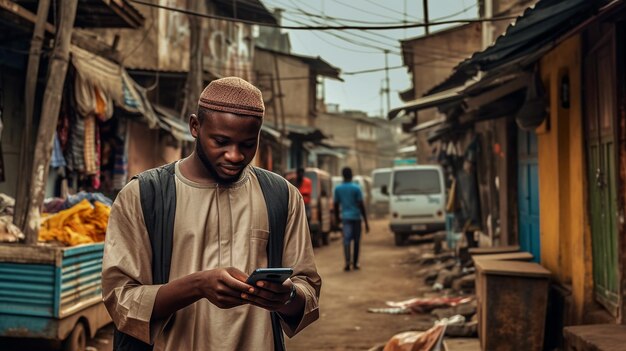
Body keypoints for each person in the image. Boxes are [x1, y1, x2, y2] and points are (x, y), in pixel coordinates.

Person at [102, 77, 321, 350]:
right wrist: (197, 286)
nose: (234, 155)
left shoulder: (282, 196)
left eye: (247, 145)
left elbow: (308, 293)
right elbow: (120, 300)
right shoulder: (144, 195)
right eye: (221, 141)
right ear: (195, 126)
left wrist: (286, 296)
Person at [334, 167, 369, 271]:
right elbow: (361, 205)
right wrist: (366, 222)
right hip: (356, 217)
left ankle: (347, 263)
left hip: (345, 218)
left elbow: (336, 205)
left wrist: (337, 220)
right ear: (351, 175)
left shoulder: (338, 189)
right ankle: (356, 263)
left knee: (346, 240)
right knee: (357, 241)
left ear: (343, 175)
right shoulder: (356, 188)